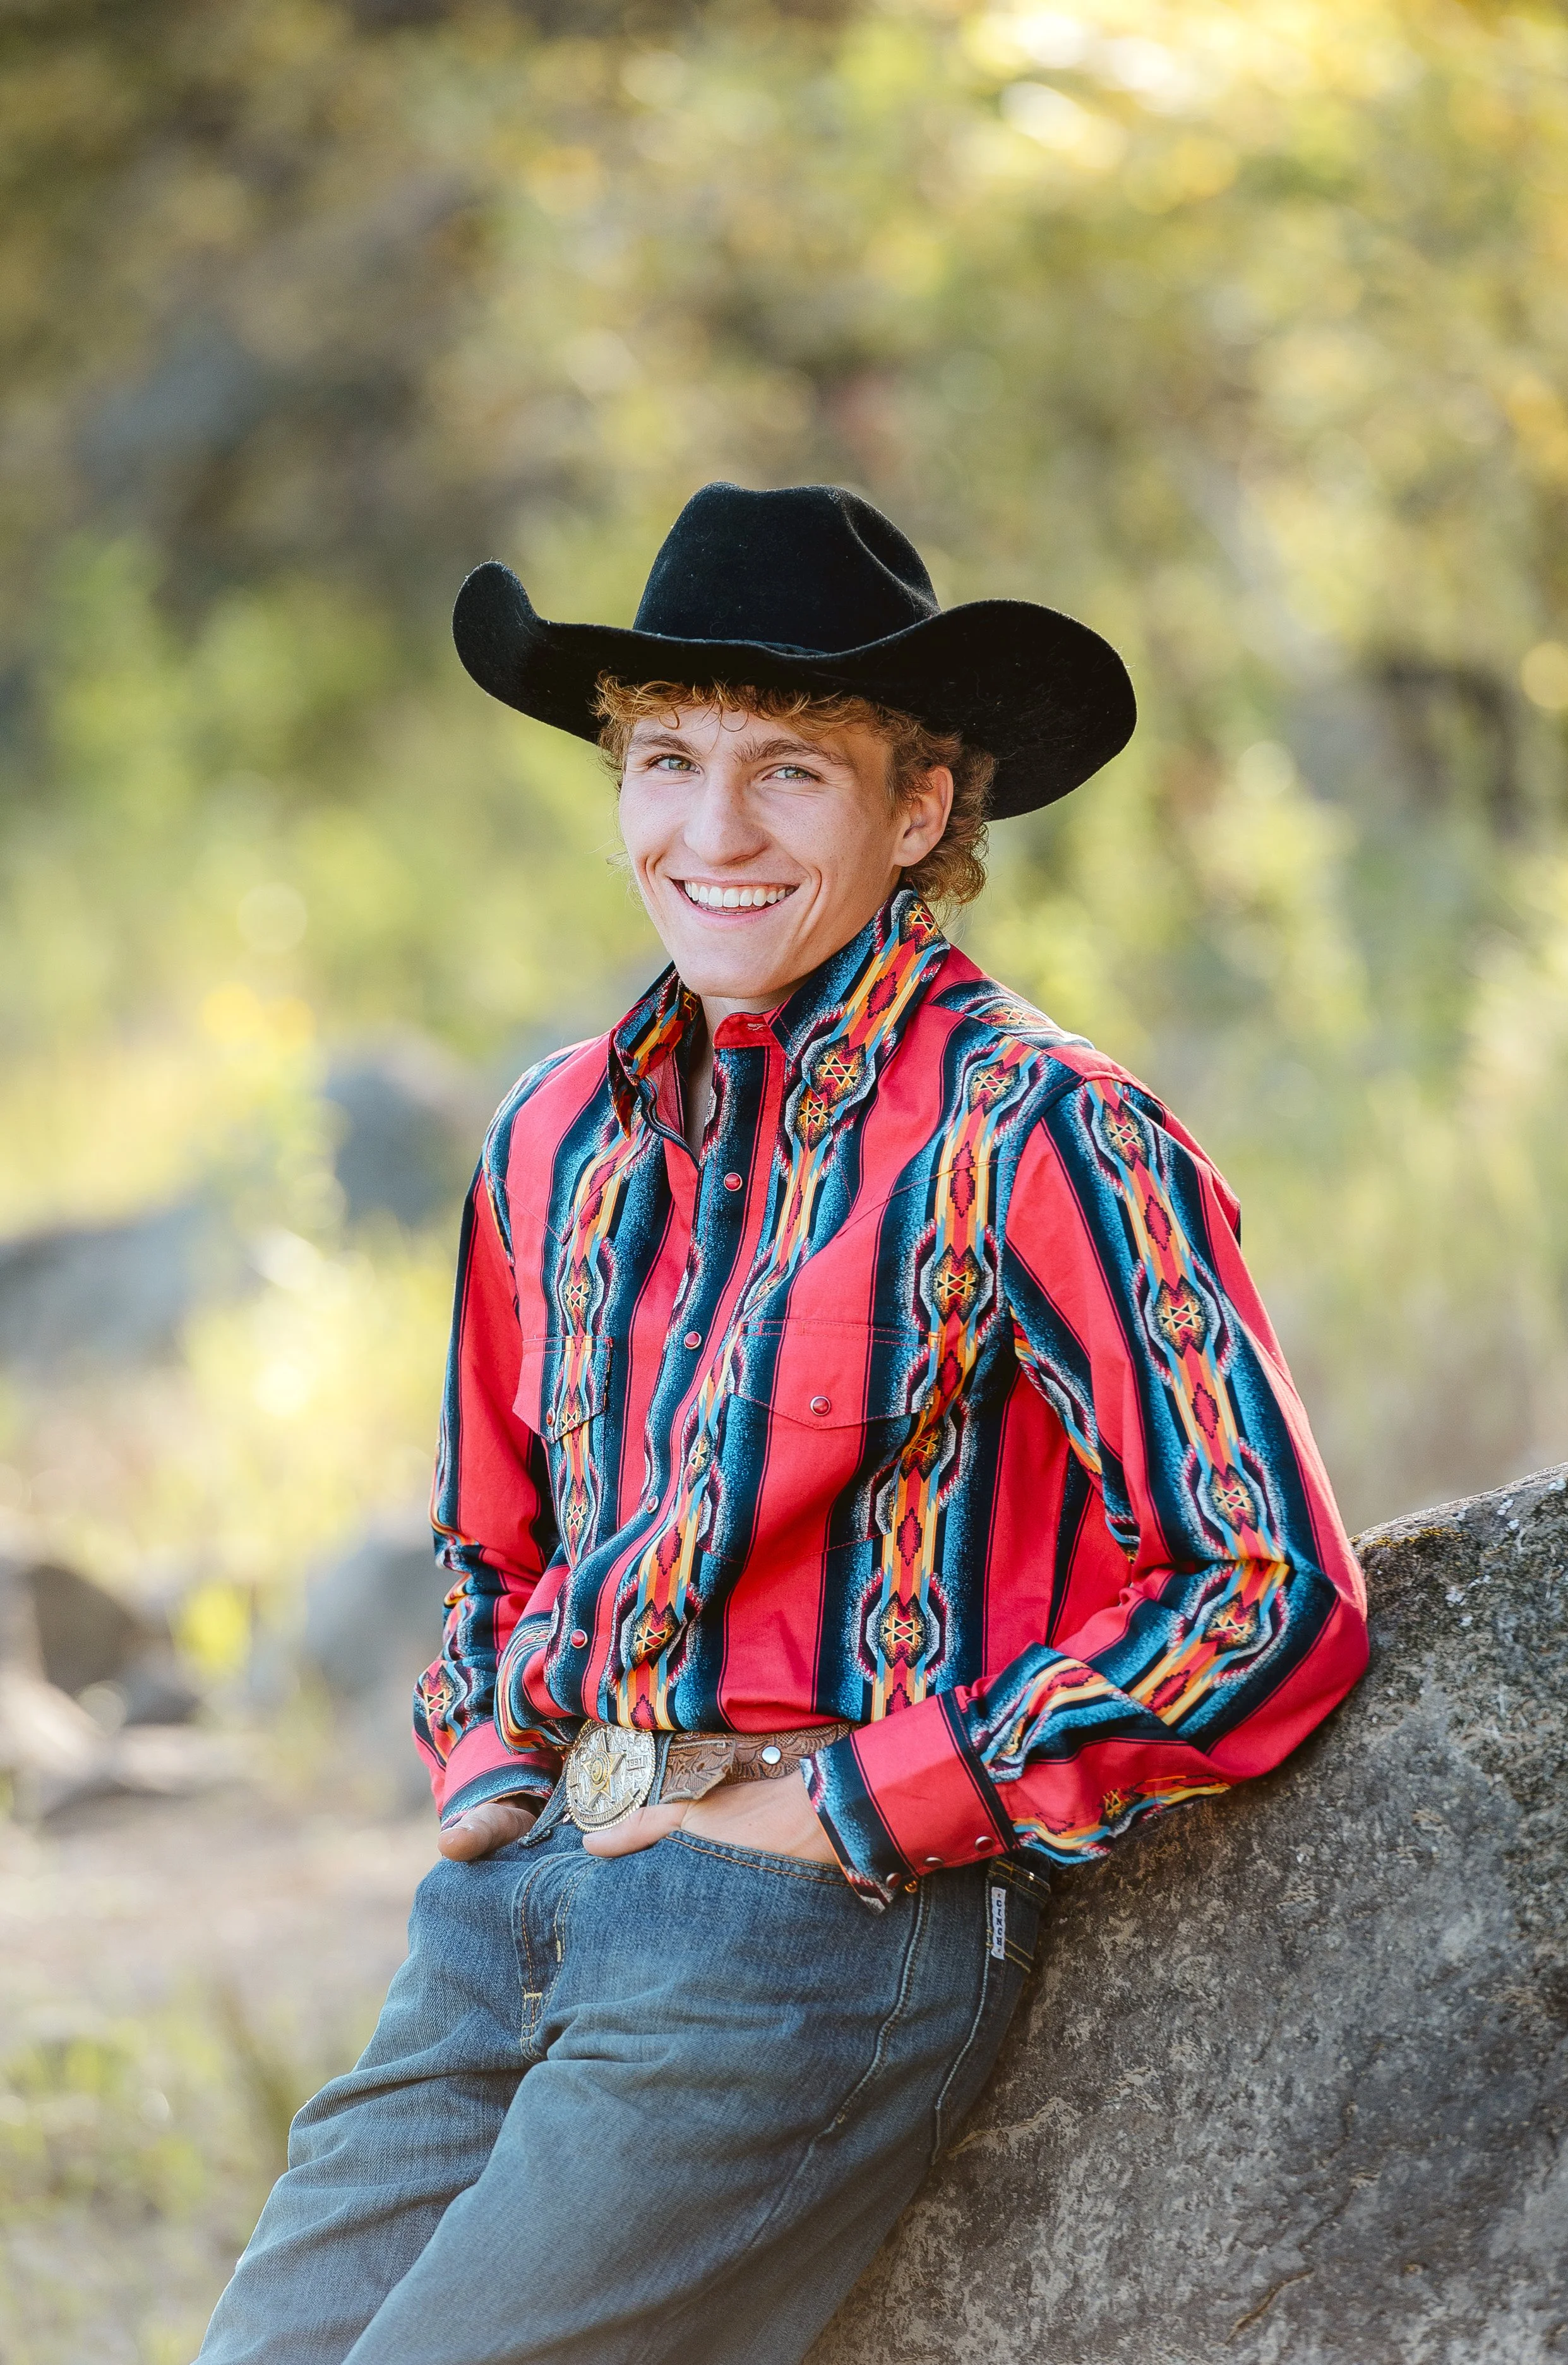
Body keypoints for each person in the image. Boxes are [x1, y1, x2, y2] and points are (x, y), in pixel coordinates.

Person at [198, 482, 1368, 2365]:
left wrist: (842, 1809)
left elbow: (1266, 1596)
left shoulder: (1039, 1131)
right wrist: (491, 1760)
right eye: (664, 761)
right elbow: (497, 1534)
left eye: (790, 774)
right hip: (508, 1915)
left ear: (920, 809)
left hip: (803, 1949)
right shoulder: (549, 1135)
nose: (709, 833)